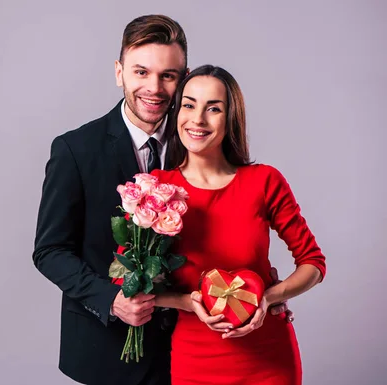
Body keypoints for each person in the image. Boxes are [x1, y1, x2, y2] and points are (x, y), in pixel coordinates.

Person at [33, 14, 290, 385]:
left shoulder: (198, 139)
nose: (153, 87)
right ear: (119, 72)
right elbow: (50, 250)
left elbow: (222, 230)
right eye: (141, 72)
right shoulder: (75, 150)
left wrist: (259, 290)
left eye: (168, 75)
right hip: (108, 349)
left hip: (194, 346)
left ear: (182, 79)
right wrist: (111, 299)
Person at [152, 65, 327, 385]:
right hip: (195, 361)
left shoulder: (264, 181)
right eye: (189, 105)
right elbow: (130, 282)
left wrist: (269, 298)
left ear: (230, 117)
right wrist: (184, 301)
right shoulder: (155, 190)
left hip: (269, 361)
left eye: (213, 108)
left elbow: (313, 263)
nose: (198, 119)